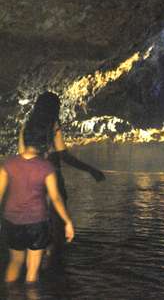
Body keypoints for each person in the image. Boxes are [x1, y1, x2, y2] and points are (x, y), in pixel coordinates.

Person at [18, 91, 104, 260]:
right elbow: (64, 155)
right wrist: (90, 169)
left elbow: (22, 155)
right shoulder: (53, 125)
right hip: (52, 179)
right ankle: (55, 270)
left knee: (38, 228)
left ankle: (37, 271)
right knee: (57, 228)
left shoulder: (26, 126)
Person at [0, 113, 75, 283]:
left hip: (12, 222)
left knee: (14, 263)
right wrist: (68, 222)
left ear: (24, 140)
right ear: (43, 143)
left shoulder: (8, 164)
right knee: (32, 274)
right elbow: (55, 198)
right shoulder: (46, 167)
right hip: (37, 224)